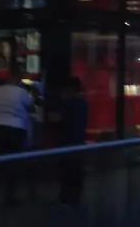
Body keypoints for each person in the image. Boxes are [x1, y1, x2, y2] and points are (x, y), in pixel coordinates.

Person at [0, 69, 34, 206]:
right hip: (16, 129)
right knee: (13, 164)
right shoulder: (21, 92)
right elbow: (30, 106)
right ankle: (8, 197)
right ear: (18, 80)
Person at [57, 77, 88, 207]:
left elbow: (59, 119)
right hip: (78, 140)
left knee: (67, 171)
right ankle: (75, 198)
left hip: (68, 141)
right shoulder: (83, 104)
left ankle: (66, 198)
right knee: (76, 170)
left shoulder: (69, 104)